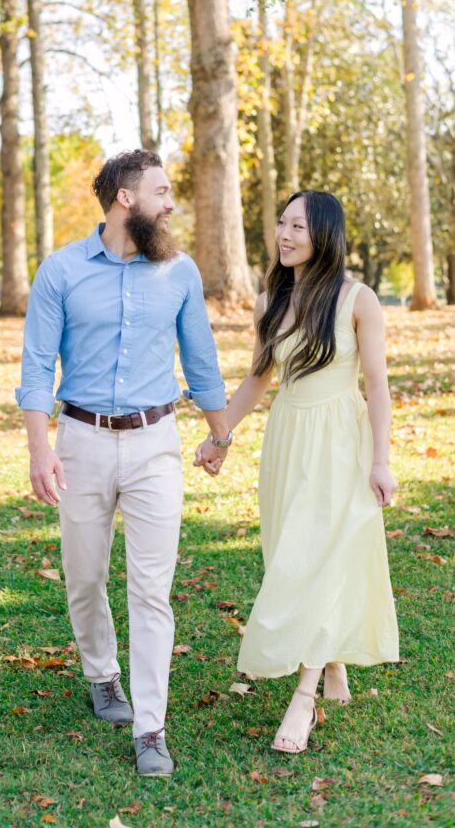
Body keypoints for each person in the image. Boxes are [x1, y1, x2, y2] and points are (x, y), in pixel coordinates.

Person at [16, 149, 232, 776]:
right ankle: (102, 674)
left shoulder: (180, 272)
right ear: (124, 199)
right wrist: (39, 449)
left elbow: (202, 361)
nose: (171, 203)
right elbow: (36, 369)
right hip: (80, 442)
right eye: (161, 192)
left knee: (151, 590)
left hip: (155, 444)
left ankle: (151, 727)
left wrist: (220, 434)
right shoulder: (59, 271)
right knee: (84, 578)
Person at [207, 190, 399, 754]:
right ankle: (331, 658)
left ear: (324, 236)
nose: (286, 235)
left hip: (341, 436)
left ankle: (305, 694)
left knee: (325, 551)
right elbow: (257, 379)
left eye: (298, 226)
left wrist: (381, 459)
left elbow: (378, 385)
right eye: (282, 224)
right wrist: (220, 436)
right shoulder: (272, 298)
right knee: (293, 553)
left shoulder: (359, 299)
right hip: (288, 439)